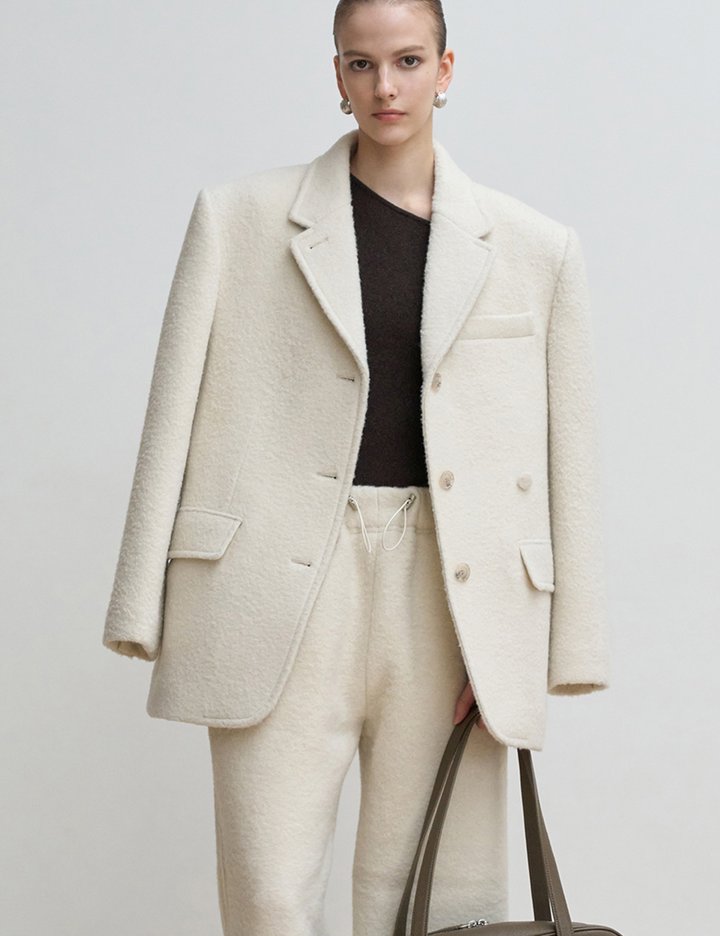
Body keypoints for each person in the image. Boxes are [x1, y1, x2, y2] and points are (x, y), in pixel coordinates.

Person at [102, 1, 611, 933]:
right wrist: (140, 602)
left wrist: (532, 644)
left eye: (409, 60)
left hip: (450, 594)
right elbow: (169, 414)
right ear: (335, 73)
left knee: (437, 904)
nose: (386, 86)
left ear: (446, 70)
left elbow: (565, 455)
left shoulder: (536, 249)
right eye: (361, 63)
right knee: (268, 895)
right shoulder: (238, 220)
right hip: (275, 583)